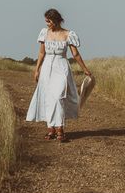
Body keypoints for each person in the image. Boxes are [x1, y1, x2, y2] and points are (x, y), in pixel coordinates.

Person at [25, 8, 93, 142]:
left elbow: (75, 54)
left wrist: (85, 69)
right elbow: (41, 53)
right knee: (49, 98)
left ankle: (60, 128)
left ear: (56, 21)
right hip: (47, 67)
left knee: (58, 97)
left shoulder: (69, 34)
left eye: (48, 21)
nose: (47, 24)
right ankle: (51, 128)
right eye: (46, 21)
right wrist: (37, 69)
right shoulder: (44, 33)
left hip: (61, 66)